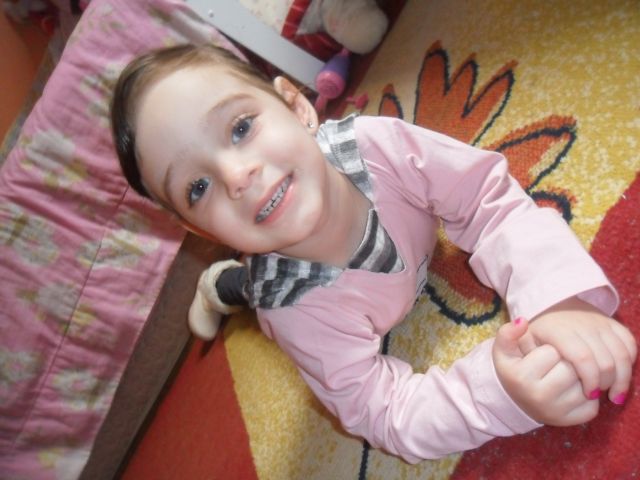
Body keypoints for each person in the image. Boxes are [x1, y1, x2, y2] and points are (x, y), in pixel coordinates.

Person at [110, 44, 636, 462]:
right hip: (270, 277)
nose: (236, 176)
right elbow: (382, 411)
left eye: (241, 128)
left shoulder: (379, 145)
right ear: (194, 227)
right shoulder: (292, 313)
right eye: (197, 188)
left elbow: (486, 197)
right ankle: (217, 286)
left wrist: (555, 299)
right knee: (247, 286)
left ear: (296, 107)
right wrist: (498, 393)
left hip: (372, 238)